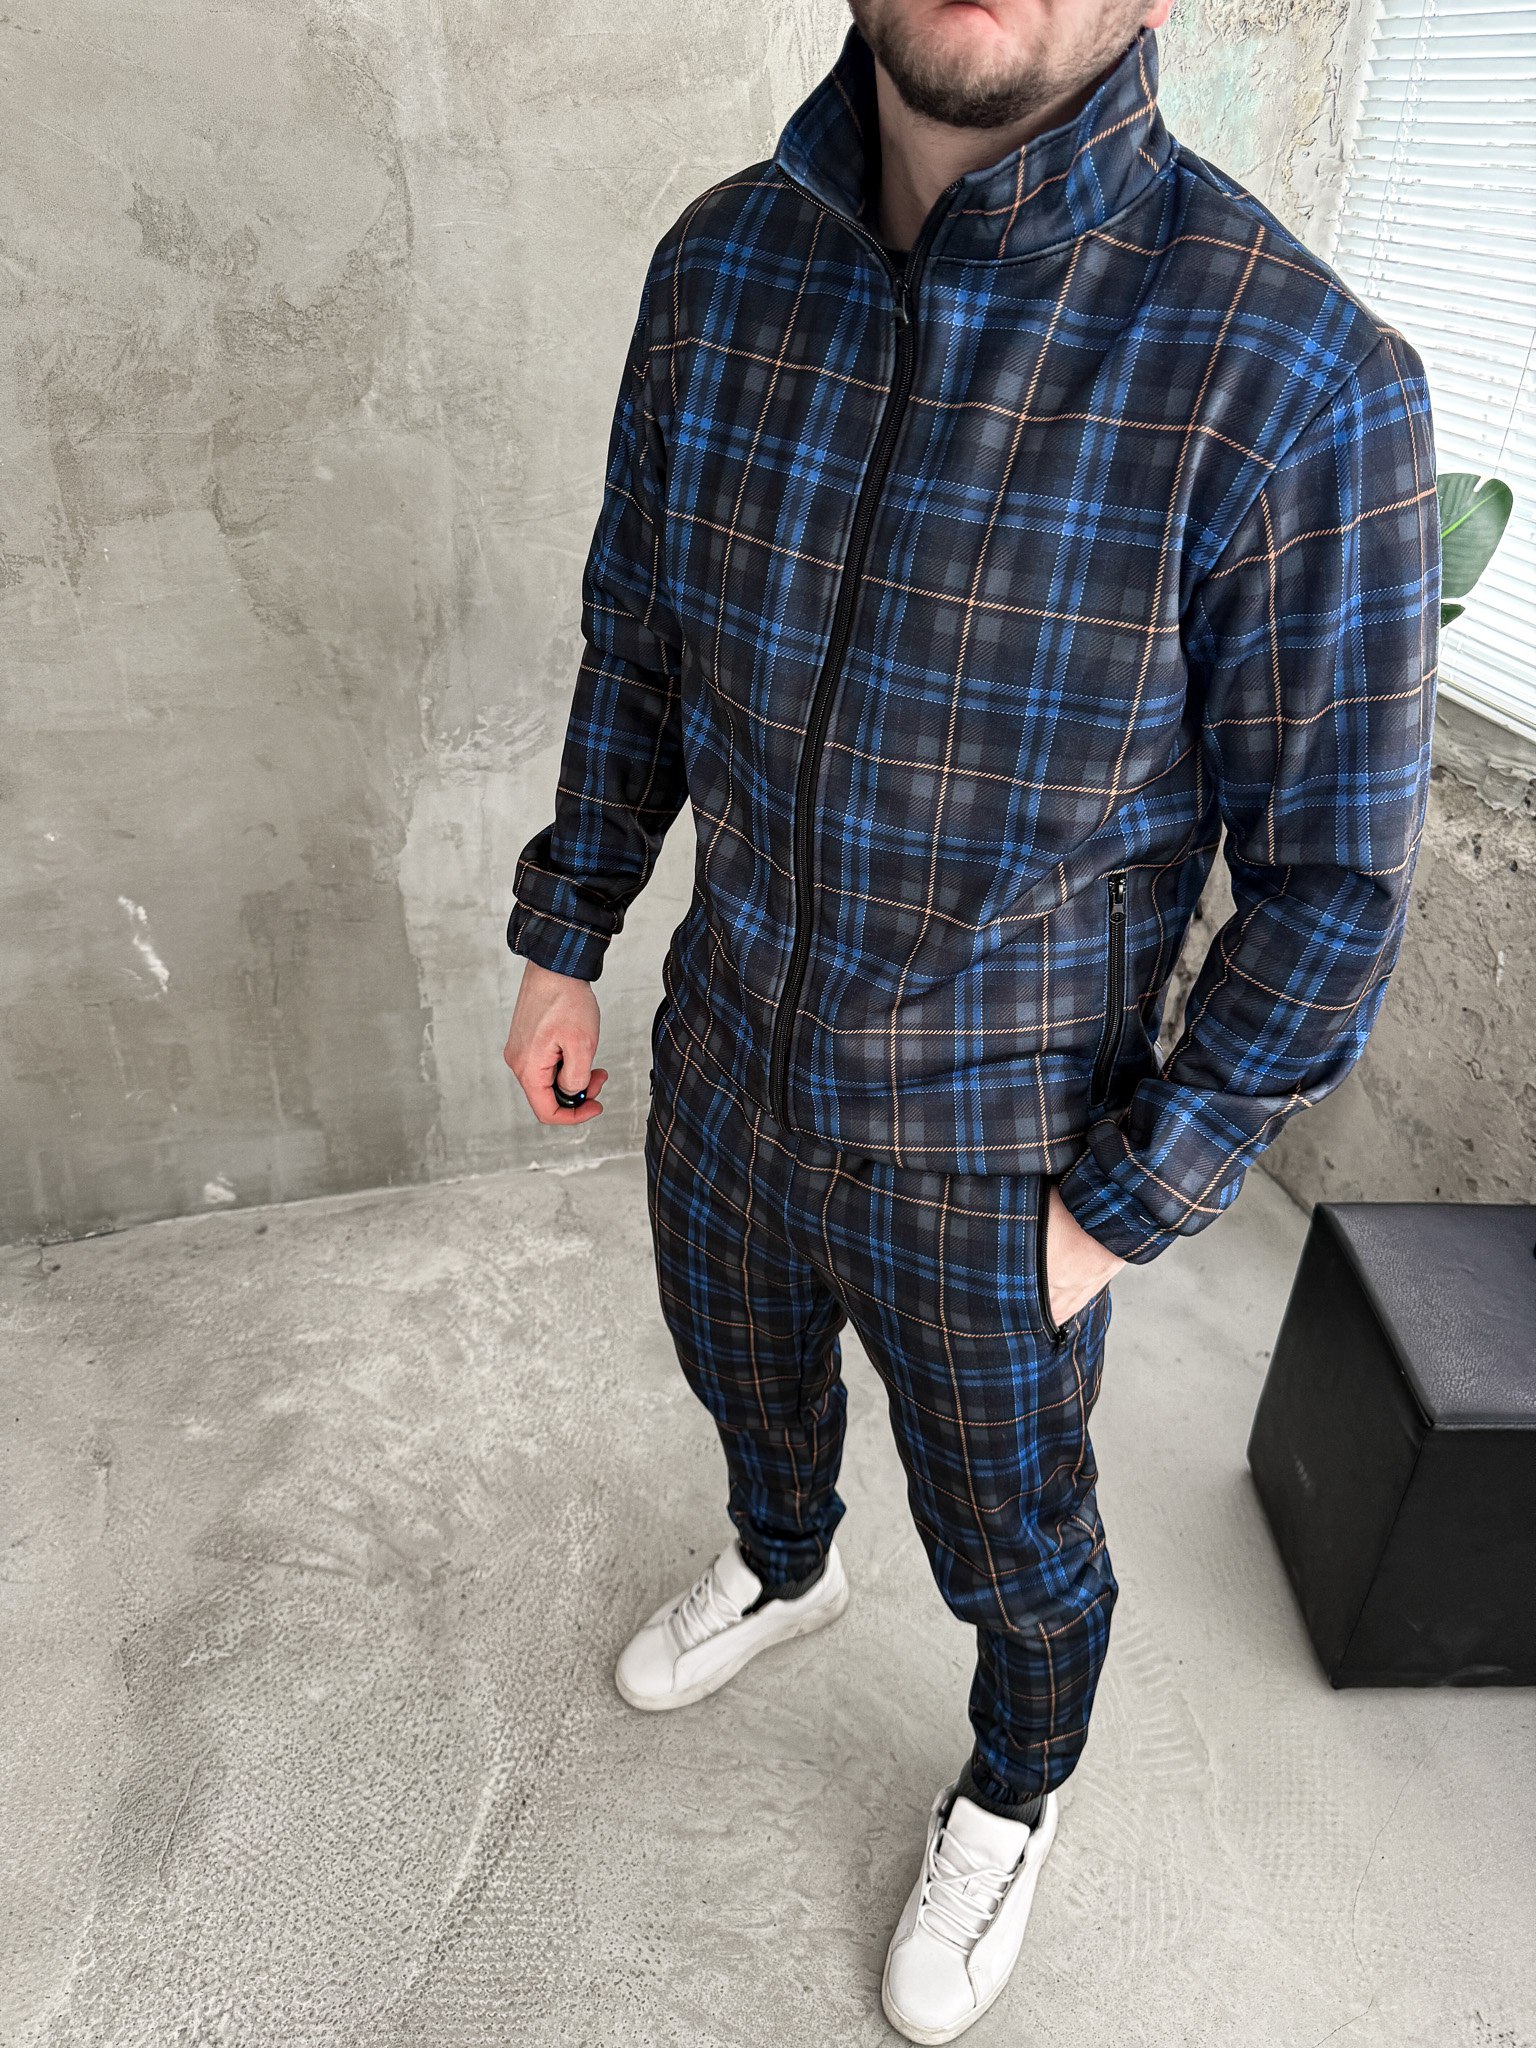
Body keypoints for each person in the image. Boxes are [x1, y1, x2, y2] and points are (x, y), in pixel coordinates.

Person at [502, 0, 1438, 2035]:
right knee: (740, 1370)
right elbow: (636, 638)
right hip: (725, 1054)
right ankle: (783, 1560)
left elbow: (1330, 889)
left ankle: (1014, 1787)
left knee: (1015, 1541)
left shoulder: (1291, 373)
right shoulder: (721, 268)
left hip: (1002, 1155)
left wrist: (1118, 1213)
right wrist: (568, 936)